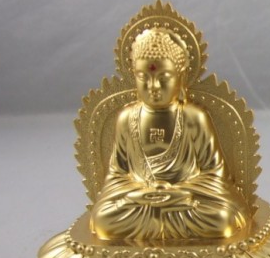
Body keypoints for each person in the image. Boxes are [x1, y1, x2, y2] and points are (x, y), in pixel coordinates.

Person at [91, 28, 248, 241]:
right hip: (139, 203)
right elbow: (117, 175)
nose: (153, 86)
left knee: (222, 220)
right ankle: (161, 225)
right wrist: (139, 194)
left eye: (163, 77)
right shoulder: (126, 118)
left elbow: (214, 174)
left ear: (180, 76)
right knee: (103, 221)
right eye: (143, 77)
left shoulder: (194, 117)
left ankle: (155, 227)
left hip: (185, 202)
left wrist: (178, 193)